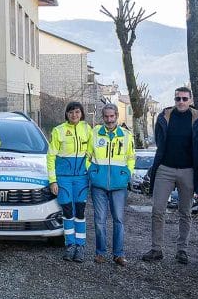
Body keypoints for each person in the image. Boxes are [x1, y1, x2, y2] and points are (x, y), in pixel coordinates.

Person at [143, 86, 198, 264]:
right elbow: (159, 140)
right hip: (165, 168)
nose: (181, 102)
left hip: (188, 170)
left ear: (191, 100)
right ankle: (156, 249)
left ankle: (182, 250)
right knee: (157, 210)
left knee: (185, 212)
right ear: (174, 99)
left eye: (185, 99)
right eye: (178, 98)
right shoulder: (164, 116)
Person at [88, 104, 135, 266]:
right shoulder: (94, 134)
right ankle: (100, 253)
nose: (109, 120)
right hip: (98, 184)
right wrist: (92, 173)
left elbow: (131, 157)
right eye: (106, 117)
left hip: (119, 185)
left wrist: (126, 174)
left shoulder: (126, 135)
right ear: (103, 117)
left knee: (119, 220)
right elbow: (88, 156)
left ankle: (118, 254)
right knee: (99, 220)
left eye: (112, 116)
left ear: (116, 116)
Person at [47, 101, 92, 263]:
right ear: (66, 114)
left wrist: (89, 172)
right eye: (71, 112)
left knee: (80, 212)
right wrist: (53, 181)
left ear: (82, 114)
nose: (74, 115)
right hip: (63, 178)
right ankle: (70, 244)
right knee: (67, 211)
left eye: (78, 112)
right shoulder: (58, 130)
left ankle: (80, 246)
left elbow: (91, 154)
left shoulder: (88, 129)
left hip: (81, 178)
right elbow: (51, 157)